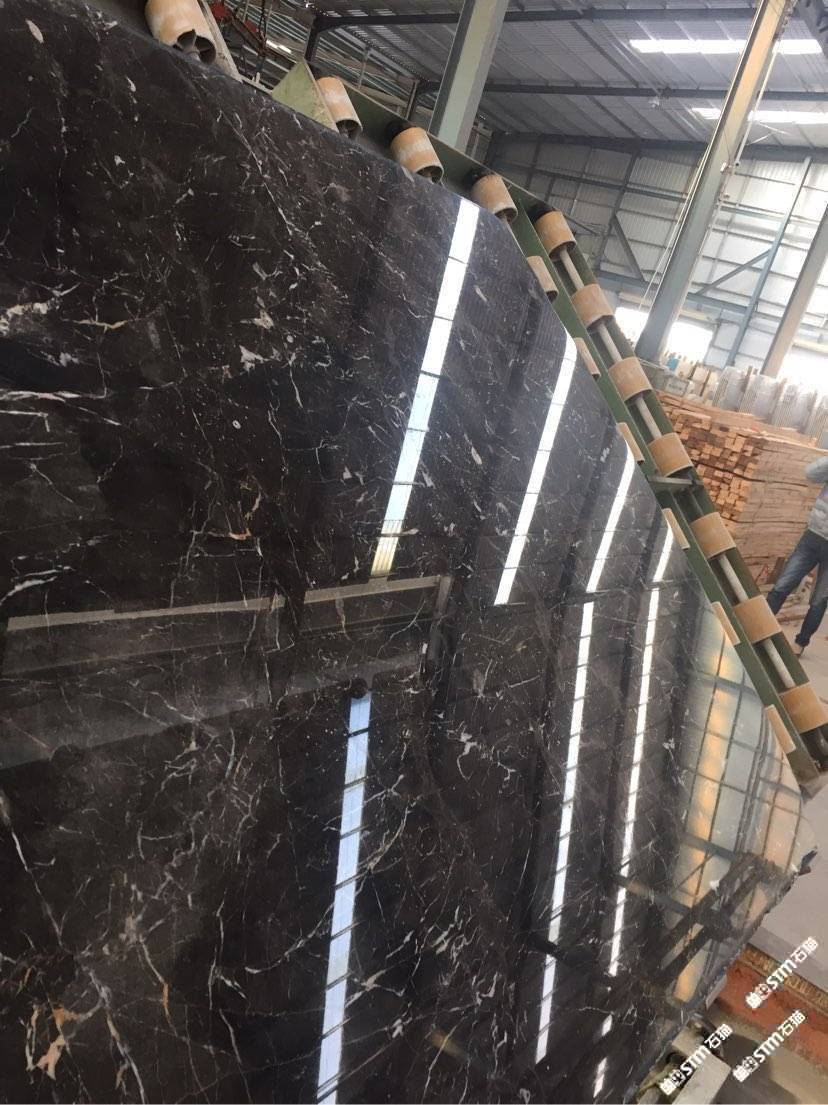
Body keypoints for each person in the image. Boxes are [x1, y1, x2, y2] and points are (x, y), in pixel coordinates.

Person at [767, 456, 828, 655]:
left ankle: (801, 643)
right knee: (783, 584)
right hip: (813, 535)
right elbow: (811, 474)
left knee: (819, 599)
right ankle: (761, 626)